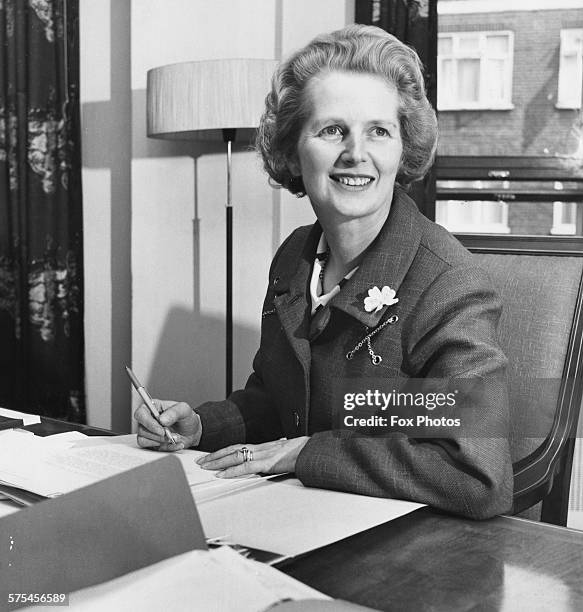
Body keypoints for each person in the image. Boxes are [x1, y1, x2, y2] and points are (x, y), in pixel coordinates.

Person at [135, 24, 513, 519]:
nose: (357, 152)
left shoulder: (449, 285)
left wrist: (303, 453)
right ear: (292, 150)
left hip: (406, 552)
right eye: (333, 129)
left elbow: (475, 474)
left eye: (379, 130)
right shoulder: (295, 255)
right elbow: (277, 399)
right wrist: (203, 427)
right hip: (303, 517)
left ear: (403, 151)